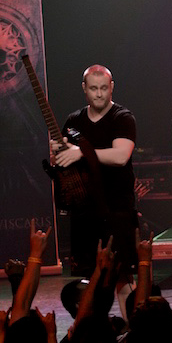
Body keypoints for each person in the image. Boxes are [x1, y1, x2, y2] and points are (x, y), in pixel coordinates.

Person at [51, 65, 137, 300]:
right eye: (93, 88)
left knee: (122, 277)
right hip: (84, 213)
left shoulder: (122, 118)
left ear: (112, 87)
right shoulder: (74, 120)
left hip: (116, 209)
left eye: (103, 88)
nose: (99, 94)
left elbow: (120, 156)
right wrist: (57, 154)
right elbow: (64, 162)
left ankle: (131, 322)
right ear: (84, 88)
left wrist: (82, 153)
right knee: (90, 279)